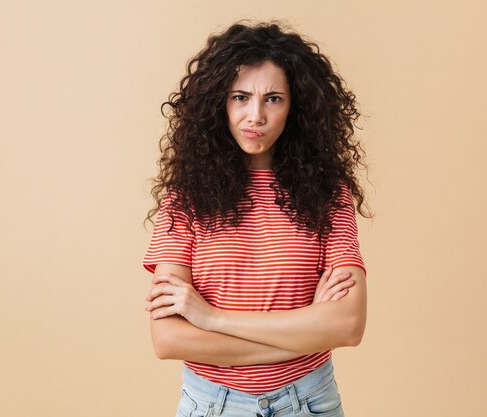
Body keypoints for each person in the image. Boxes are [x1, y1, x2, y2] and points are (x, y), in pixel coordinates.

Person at [142, 19, 372, 417]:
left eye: (273, 99)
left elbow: (349, 325)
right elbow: (168, 338)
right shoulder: (185, 199)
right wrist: (307, 330)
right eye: (240, 97)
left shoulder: (328, 194)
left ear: (295, 107)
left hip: (309, 404)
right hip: (212, 405)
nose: (255, 116)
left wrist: (212, 318)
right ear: (219, 103)